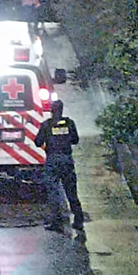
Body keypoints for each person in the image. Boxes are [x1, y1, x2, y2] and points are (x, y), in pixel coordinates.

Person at [34, 100, 84, 233]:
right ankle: (79, 220)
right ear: (62, 110)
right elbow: (75, 140)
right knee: (71, 191)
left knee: (53, 191)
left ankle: (56, 222)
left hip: (53, 160)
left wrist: (48, 145)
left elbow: (38, 142)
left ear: (51, 110)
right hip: (67, 160)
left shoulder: (47, 125)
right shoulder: (69, 123)